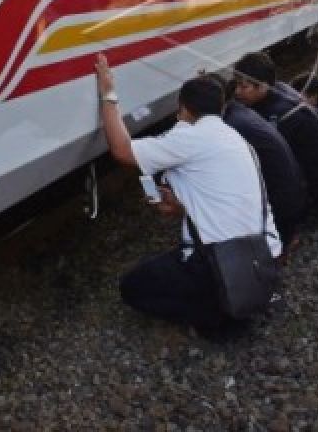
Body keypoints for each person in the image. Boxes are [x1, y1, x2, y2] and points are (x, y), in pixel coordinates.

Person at [95, 55, 281, 339]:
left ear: (183, 109)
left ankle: (216, 318)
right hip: (262, 257)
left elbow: (122, 150)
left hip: (224, 263)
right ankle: (235, 301)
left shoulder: (192, 138)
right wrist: (183, 208)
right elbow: (224, 202)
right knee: (169, 267)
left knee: (132, 287)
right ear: (221, 108)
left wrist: (108, 92)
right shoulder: (236, 140)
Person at [207, 74, 308, 249]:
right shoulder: (237, 111)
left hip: (280, 209)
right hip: (293, 195)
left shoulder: (229, 126)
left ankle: (280, 246)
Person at [233, 51, 318, 204]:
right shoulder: (279, 87)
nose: (237, 92)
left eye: (243, 87)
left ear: (263, 86)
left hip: (312, 181)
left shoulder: (279, 115)